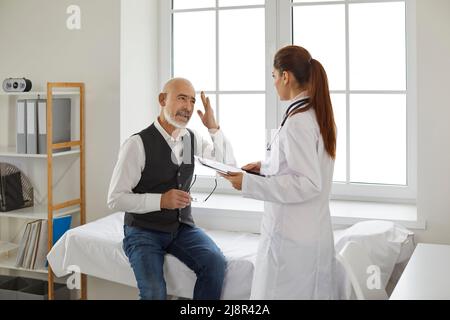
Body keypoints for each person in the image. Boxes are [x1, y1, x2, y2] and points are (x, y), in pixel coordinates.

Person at [220, 45, 337, 299]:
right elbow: (300, 166)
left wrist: (248, 184)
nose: (273, 83)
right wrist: (264, 167)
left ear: (286, 76)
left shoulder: (298, 121)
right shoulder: (313, 114)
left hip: (293, 242)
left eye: (273, 76)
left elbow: (307, 183)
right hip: (308, 234)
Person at [107, 78, 236, 300]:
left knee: (215, 263)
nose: (187, 107)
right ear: (162, 100)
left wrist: (213, 128)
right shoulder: (137, 144)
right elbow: (115, 199)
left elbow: (227, 168)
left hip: (181, 228)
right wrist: (161, 201)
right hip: (143, 231)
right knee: (154, 293)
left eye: (192, 101)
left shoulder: (189, 140)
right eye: (182, 98)